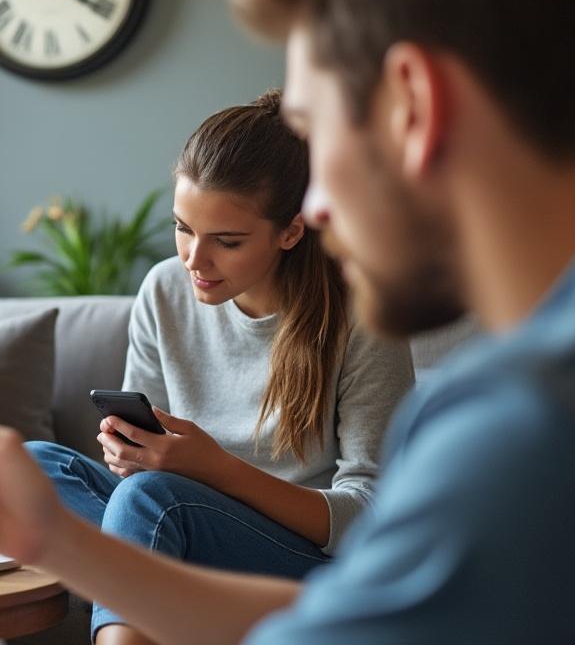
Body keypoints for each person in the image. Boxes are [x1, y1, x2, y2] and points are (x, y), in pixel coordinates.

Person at [0, 0, 575, 642]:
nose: (315, 210)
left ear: (414, 103)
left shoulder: (545, 419)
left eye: (319, 130)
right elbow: (352, 621)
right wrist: (56, 541)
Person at [26, 90, 412, 643]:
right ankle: (169, 575)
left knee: (150, 502)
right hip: (177, 519)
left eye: (226, 241)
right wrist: (128, 451)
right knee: (37, 465)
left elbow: (370, 518)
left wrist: (216, 470)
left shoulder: (361, 315)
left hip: (305, 561)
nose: (194, 260)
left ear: (291, 231)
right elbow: (143, 461)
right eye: (183, 228)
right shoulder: (164, 289)